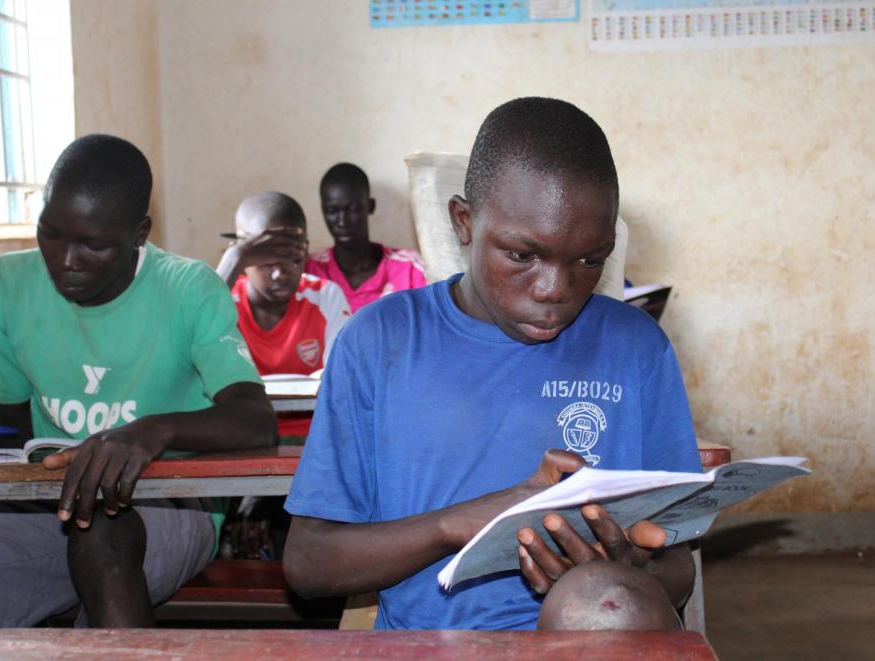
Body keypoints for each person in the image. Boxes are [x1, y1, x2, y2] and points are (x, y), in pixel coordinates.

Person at [281, 97, 701, 631]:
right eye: (522, 255)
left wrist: (626, 573)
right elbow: (309, 563)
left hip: (596, 640)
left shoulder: (636, 348)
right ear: (463, 222)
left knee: (596, 603)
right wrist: (460, 524)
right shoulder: (380, 342)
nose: (554, 289)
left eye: (589, 259)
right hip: (428, 646)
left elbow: (678, 565)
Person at [0, 134, 277, 628]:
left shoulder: (188, 289)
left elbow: (255, 419)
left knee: (102, 531)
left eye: (93, 244)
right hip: (45, 504)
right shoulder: (7, 283)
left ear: (139, 233)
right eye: (51, 233)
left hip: (167, 504)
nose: (66, 259)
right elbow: (6, 423)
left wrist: (151, 432)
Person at [220, 192, 350, 379]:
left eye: (293, 259)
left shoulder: (324, 296)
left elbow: (342, 378)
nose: (280, 275)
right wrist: (233, 258)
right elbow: (184, 351)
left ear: (305, 250)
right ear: (245, 258)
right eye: (266, 261)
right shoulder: (223, 299)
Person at [307, 163, 426, 312]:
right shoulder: (310, 270)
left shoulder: (409, 268)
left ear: (370, 206)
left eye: (352, 209)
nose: (342, 222)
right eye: (332, 211)